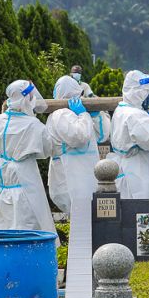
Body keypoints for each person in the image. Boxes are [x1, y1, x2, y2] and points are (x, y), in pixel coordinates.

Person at [0, 80, 56, 238]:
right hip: (24, 178)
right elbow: (47, 149)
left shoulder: (0, 119)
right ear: (26, 99)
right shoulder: (34, 125)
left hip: (2, 177)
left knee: (3, 221)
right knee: (26, 222)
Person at [46, 75, 109, 214]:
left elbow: (102, 136)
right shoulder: (60, 114)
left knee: (87, 218)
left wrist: (96, 116)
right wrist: (84, 115)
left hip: (83, 175)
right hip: (70, 176)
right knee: (79, 219)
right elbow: (79, 137)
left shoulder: (76, 114)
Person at [109, 70, 149, 199]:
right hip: (136, 168)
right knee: (138, 206)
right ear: (140, 93)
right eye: (146, 93)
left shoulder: (121, 109)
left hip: (123, 164)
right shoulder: (136, 116)